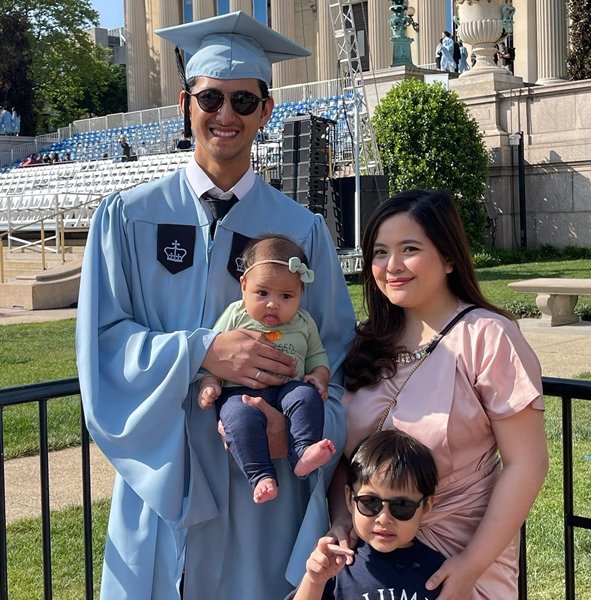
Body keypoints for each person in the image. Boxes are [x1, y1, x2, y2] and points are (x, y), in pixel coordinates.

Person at [76, 12, 356, 600]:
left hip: (267, 483)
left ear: (266, 111)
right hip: (167, 479)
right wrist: (203, 350)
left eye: (243, 101)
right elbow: (101, 345)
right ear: (186, 102)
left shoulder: (300, 231)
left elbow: (339, 358)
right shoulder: (126, 217)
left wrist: (299, 429)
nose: (225, 115)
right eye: (210, 98)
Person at [333, 190, 549, 599]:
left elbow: (527, 463)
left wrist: (471, 565)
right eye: (380, 252)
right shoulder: (364, 342)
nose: (391, 266)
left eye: (409, 249)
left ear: (449, 258)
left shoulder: (488, 337)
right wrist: (343, 517)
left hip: (461, 559)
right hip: (373, 561)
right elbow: (346, 459)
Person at [197, 235, 338, 504]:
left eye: (286, 296)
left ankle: (303, 452)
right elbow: (213, 352)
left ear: (300, 294)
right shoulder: (235, 314)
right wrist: (209, 383)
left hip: (288, 388)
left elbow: (317, 355)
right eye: (262, 293)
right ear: (244, 285)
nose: (273, 303)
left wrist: (319, 376)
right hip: (241, 391)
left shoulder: (303, 322)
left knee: (307, 397)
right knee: (237, 417)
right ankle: (261, 476)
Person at [290, 430, 445, 600]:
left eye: (401, 505)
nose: (384, 519)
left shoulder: (438, 571)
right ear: (349, 498)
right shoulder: (335, 563)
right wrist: (314, 581)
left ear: (426, 506)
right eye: (370, 502)